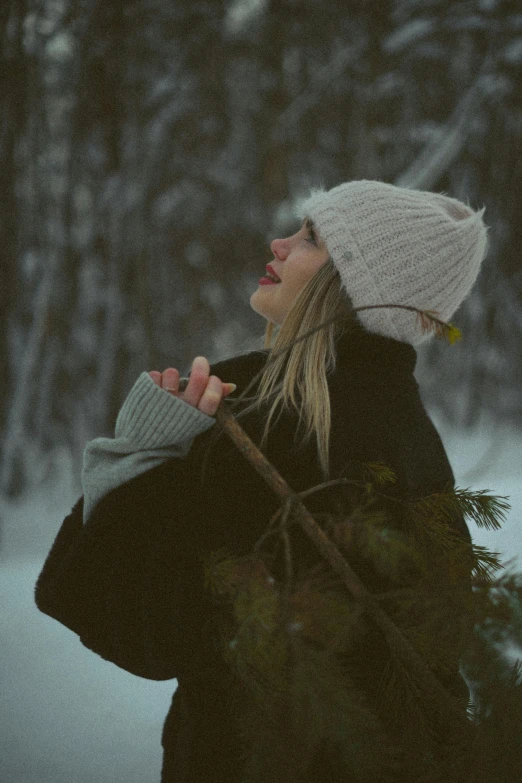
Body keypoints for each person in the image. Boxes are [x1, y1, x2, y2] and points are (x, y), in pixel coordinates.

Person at [34, 180, 489, 783]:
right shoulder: (403, 426)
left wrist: (136, 457)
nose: (280, 242)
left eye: (312, 238)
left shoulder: (288, 432)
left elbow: (138, 625)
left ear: (353, 282)